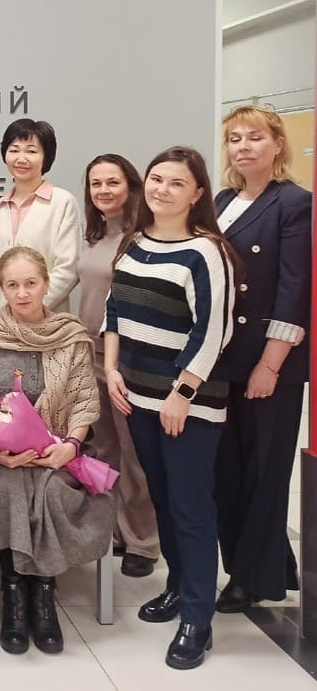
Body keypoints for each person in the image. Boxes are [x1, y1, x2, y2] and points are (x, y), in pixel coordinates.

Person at [103, 147, 237, 670]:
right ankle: (179, 587)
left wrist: (182, 394)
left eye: (176, 183)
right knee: (162, 498)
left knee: (190, 507)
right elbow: (115, 308)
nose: (162, 189)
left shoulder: (207, 252)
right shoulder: (135, 242)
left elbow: (213, 330)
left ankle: (198, 619)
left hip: (186, 406)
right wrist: (113, 368)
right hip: (136, 396)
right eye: (156, 179)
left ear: (197, 193)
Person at [0, 246, 113, 656]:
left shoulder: (70, 336)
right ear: (2, 289)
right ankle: (14, 592)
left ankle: (43, 593)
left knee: (50, 490)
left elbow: (84, 401)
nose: (22, 293)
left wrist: (70, 446)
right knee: (5, 487)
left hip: (60, 447)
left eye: (31, 283)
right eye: (12, 285)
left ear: (47, 285)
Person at [212, 106, 311, 613]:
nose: (243, 147)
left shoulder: (294, 202)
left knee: (263, 471)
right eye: (234, 138)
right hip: (224, 355)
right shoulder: (223, 200)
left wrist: (270, 364)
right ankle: (269, 564)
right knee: (229, 469)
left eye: (254, 137)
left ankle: (250, 579)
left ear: (277, 144)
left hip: (268, 360)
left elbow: (296, 289)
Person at [77, 154, 160, 578]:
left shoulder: (143, 237)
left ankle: (143, 540)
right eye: (96, 184)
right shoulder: (93, 235)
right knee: (103, 446)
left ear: (131, 186)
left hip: (127, 357)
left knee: (134, 451)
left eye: (112, 182)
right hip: (89, 352)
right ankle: (112, 529)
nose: (104, 190)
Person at [0, 118, 81, 320]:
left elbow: (68, 268)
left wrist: (26, 308)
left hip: (45, 321)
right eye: (14, 150)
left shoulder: (63, 202)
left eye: (31, 151)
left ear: (46, 157)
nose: (21, 158)